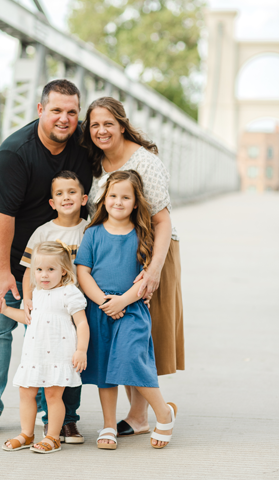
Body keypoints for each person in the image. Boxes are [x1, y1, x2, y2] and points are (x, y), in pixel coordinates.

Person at [0, 79, 92, 439]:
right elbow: (1, 215)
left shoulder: (83, 143)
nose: (64, 119)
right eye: (56, 111)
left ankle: (56, 413)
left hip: (59, 262)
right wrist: (3, 271)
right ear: (40, 110)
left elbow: (116, 150)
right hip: (6, 253)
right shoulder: (15, 153)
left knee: (60, 331)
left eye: (71, 112)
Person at [81, 96, 184, 437]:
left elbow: (163, 220)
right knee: (118, 339)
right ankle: (140, 415)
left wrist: (154, 269)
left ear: (122, 125)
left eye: (108, 123)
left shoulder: (145, 162)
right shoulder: (95, 164)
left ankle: (143, 413)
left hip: (149, 255)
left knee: (139, 337)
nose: (101, 130)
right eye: (95, 125)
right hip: (109, 259)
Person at [75, 170, 177, 449]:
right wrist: (103, 302)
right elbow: (83, 272)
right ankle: (108, 425)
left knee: (132, 360)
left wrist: (122, 301)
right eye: (113, 196)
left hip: (131, 310)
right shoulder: (93, 234)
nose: (118, 202)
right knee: (105, 370)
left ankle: (163, 414)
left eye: (125, 197)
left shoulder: (143, 234)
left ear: (135, 203)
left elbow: (146, 276)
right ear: (104, 199)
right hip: (100, 311)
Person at [0, 241, 89, 454]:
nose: (44, 275)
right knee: (26, 394)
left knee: (53, 397)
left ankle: (53, 437)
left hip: (58, 354)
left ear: (63, 272)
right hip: (34, 355)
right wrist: (6, 309)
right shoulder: (35, 293)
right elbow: (28, 319)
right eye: (39, 270)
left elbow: (82, 323)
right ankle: (26, 433)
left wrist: (81, 350)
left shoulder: (69, 293)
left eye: (50, 269)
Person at [20, 170, 88, 442]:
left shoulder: (90, 229)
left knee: (69, 366)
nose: (66, 197)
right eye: (59, 193)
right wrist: (28, 297)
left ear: (83, 198)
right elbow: (28, 269)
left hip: (74, 309)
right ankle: (47, 422)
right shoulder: (43, 231)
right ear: (52, 202)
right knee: (38, 364)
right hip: (45, 307)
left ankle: (68, 421)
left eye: (71, 192)